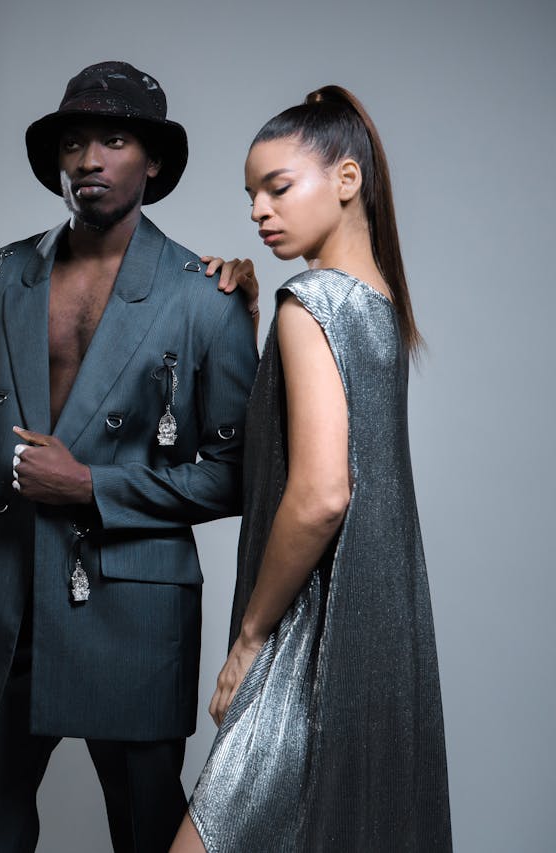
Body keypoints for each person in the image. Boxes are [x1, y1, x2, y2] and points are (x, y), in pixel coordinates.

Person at [0, 60, 260, 852]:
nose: (90, 160)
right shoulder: (0, 276)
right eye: (75, 141)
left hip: (133, 612)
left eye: (114, 139)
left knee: (147, 831)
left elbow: (235, 472)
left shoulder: (203, 296)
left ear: (155, 162)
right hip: (8, 599)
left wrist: (90, 485)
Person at [172, 86, 452, 852]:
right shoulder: (380, 304)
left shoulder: (314, 301)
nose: (259, 211)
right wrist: (250, 325)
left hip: (307, 637)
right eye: (250, 195)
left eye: (278, 186)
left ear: (348, 180)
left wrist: (251, 637)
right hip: (377, 640)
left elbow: (325, 493)